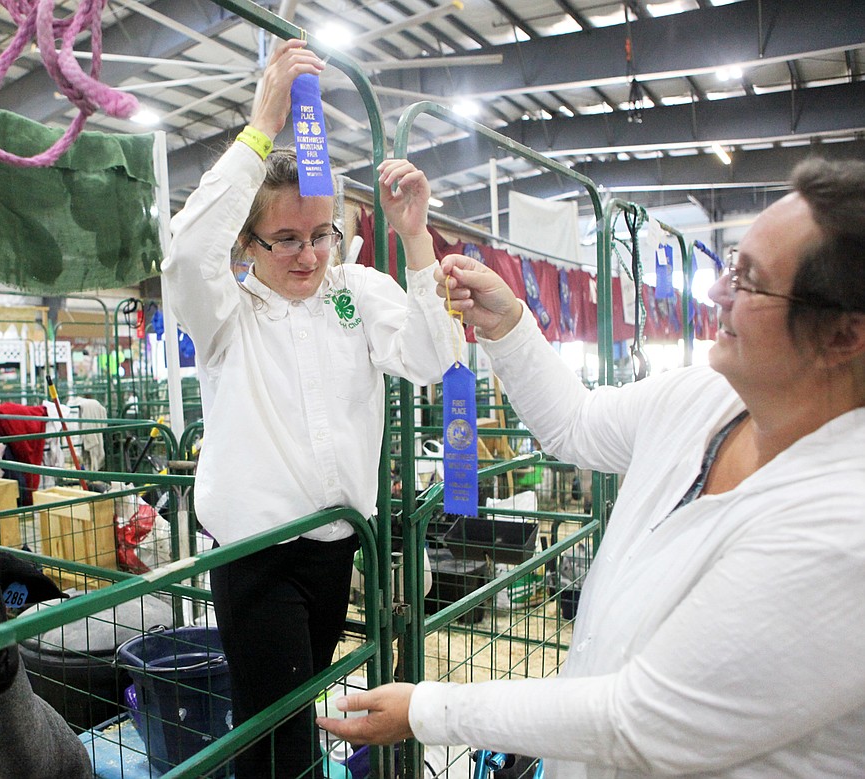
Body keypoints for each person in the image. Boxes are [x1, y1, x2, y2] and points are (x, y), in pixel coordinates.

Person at [317, 157, 865, 777]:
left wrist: (429, 709)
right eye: (730, 267)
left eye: (751, 281)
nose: (717, 292)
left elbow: (642, 720)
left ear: (843, 336)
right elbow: (575, 423)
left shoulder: (842, 528)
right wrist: (509, 325)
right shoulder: (705, 398)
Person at [162, 38, 464, 778]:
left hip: (337, 548)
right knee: (282, 732)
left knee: (285, 722)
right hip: (256, 559)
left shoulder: (355, 293)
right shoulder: (229, 314)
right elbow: (184, 253)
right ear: (250, 242)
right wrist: (260, 125)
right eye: (286, 238)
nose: (307, 254)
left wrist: (416, 238)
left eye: (321, 235)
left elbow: (434, 357)